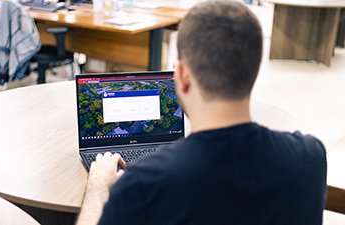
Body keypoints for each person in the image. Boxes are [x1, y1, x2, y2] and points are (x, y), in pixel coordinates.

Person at [76, 1, 327, 224]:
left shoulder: (144, 184)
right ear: (253, 71)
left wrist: (98, 186)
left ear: (182, 76)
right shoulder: (310, 158)